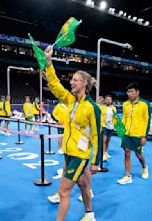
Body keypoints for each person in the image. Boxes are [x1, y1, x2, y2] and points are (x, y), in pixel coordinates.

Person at [43, 45, 100, 221]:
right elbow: (55, 85)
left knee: (63, 191)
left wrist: (96, 161)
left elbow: (96, 135)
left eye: (75, 80)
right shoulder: (70, 101)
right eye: (72, 80)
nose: (71, 82)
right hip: (68, 152)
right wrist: (48, 61)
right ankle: (90, 214)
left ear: (84, 84)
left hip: (80, 155)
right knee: (83, 184)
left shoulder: (92, 107)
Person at [117, 82, 151, 185]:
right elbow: (124, 118)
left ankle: (144, 167)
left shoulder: (145, 104)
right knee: (127, 153)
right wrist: (120, 129)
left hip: (138, 134)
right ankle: (127, 176)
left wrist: (144, 136)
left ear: (137, 92)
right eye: (128, 92)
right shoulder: (125, 104)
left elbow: (146, 121)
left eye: (132, 91)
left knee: (138, 154)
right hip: (127, 134)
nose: (129, 94)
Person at [100, 95, 118, 162]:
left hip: (111, 126)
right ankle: (103, 154)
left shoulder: (114, 108)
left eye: (110, 99)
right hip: (104, 125)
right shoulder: (102, 107)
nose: (108, 100)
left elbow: (115, 117)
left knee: (108, 140)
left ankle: (106, 152)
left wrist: (116, 124)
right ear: (105, 100)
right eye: (107, 99)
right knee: (104, 140)